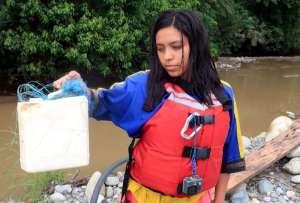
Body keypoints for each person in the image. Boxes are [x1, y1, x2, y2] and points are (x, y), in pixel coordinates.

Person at [54, 10, 245, 203]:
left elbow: (228, 161)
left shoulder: (223, 96)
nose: (167, 57)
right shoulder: (144, 87)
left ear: (196, 46)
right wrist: (79, 90)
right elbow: (101, 103)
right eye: (160, 49)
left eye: (176, 47)